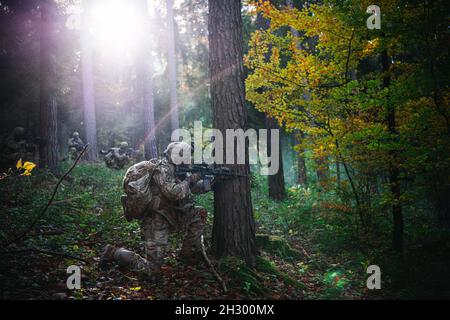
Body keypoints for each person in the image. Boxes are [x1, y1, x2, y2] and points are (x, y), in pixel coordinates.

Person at [101, 142, 210, 276]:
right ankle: (114, 253)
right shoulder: (162, 169)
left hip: (173, 214)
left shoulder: (177, 169)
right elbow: (174, 192)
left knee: (199, 214)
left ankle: (187, 254)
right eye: (186, 156)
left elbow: (191, 189)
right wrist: (191, 178)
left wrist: (210, 182)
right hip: (156, 220)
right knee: (152, 270)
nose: (188, 159)